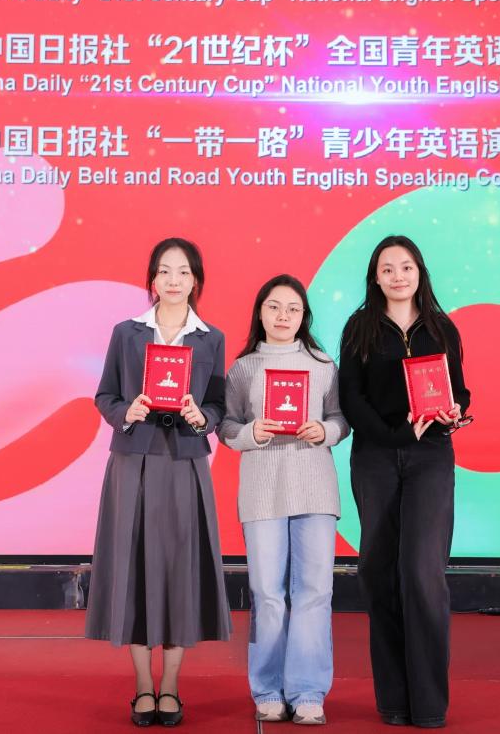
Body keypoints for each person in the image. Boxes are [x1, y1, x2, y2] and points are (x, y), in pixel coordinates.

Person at [87, 237, 231, 727]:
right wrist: (125, 411)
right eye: (165, 271)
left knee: (177, 570)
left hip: (184, 462)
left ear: (196, 280)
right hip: (133, 461)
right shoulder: (126, 333)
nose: (174, 280)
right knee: (134, 567)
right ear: (152, 279)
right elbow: (105, 395)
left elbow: (217, 406)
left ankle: (170, 685)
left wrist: (202, 417)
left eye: (183, 271)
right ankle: (143, 686)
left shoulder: (210, 338)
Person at [338, 236, 470, 729]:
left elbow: (459, 389)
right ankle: (393, 700)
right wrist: (394, 435)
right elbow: (351, 398)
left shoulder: (441, 327)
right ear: (375, 277)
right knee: (379, 572)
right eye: (388, 268)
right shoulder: (360, 328)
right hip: (375, 457)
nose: (398, 276)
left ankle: (430, 704)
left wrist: (455, 412)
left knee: (422, 573)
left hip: (430, 457)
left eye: (406, 266)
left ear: (420, 272)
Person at [220, 274, 349, 726]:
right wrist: (250, 433)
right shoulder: (243, 368)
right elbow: (226, 426)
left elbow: (340, 418)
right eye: (274, 307)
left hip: (315, 488)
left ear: (304, 316)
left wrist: (325, 430)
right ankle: (268, 689)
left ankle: (308, 692)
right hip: (262, 491)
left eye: (293, 309)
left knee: (315, 592)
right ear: (260, 312)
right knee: (267, 594)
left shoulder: (322, 364)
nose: (282, 316)